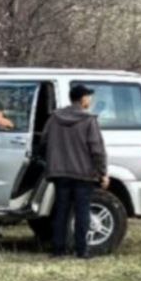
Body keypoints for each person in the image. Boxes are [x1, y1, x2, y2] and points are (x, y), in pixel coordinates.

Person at [40, 84, 108, 258]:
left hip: (59, 174)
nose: (90, 100)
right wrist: (102, 172)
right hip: (83, 175)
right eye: (89, 97)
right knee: (82, 212)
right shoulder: (88, 120)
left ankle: (58, 250)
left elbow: (44, 142)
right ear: (83, 99)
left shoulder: (54, 118)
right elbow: (97, 150)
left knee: (61, 211)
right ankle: (81, 250)